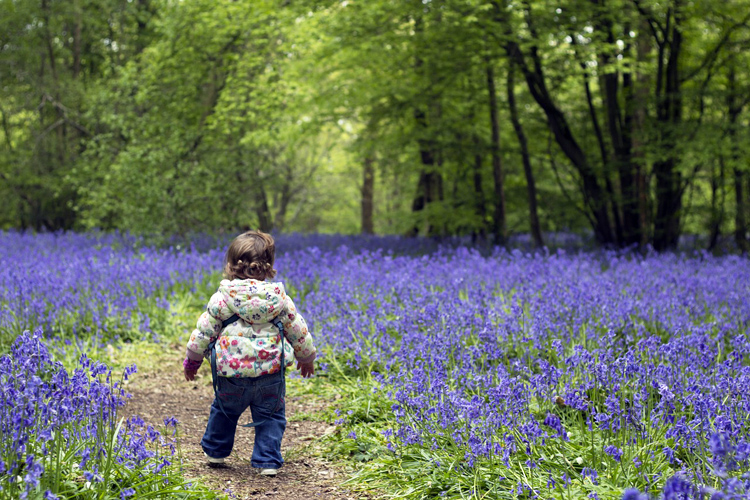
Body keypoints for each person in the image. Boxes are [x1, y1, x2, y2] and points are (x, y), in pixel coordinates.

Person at [182, 230, 316, 476]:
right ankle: (267, 461)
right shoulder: (280, 300)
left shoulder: (222, 299)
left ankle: (216, 451)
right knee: (271, 416)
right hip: (270, 375)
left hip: (231, 374)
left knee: (224, 410)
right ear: (269, 266)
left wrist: (193, 360)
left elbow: (203, 332)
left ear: (231, 266)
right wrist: (306, 358)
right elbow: (298, 330)